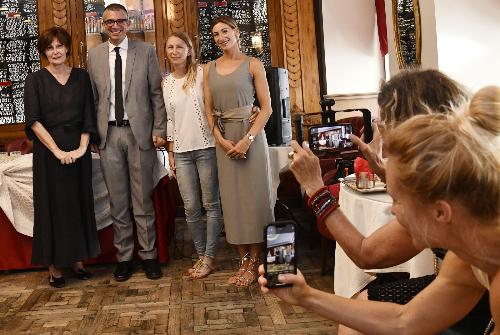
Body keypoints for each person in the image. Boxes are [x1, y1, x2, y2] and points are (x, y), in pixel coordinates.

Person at [259, 86, 500, 334]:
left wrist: (315, 189)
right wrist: (305, 296)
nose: (392, 211)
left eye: (397, 200)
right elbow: (405, 320)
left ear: (441, 212)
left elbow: (368, 256)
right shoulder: (469, 253)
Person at [87, 3, 167, 282]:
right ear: (102, 24)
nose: (115, 26)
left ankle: (148, 256)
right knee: (117, 202)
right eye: (110, 22)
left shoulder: (146, 52)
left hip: (139, 134)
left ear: (129, 22)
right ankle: (124, 258)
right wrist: (94, 135)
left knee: (142, 199)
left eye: (120, 21)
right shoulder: (94, 56)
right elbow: (93, 99)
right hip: (108, 135)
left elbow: (156, 94)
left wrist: (159, 129)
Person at [24, 27, 100, 288]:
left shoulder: (81, 77)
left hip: (79, 151)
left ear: (67, 48)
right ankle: (54, 266)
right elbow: (33, 121)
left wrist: (80, 149)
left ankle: (77, 260)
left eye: (59, 46)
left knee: (77, 204)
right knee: (51, 207)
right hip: (48, 153)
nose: (55, 51)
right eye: (49, 47)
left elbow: (89, 115)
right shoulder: (34, 80)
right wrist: (56, 151)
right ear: (44, 52)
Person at [203, 15, 274, 287]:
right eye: (216, 34)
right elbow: (209, 110)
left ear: (235, 31)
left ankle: (255, 262)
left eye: (225, 31)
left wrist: (248, 139)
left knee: (253, 201)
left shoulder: (253, 64)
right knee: (232, 203)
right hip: (225, 142)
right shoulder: (208, 69)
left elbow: (266, 108)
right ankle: (243, 261)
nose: (221, 37)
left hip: (252, 140)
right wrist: (220, 140)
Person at [162, 32, 223, 279]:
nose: (174, 51)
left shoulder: (203, 73)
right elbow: (169, 119)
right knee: (190, 207)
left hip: (207, 147)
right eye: (170, 47)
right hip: (182, 152)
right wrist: (171, 151)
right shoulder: (166, 83)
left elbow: (218, 103)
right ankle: (201, 256)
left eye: (179, 47)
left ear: (189, 50)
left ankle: (209, 257)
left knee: (211, 205)